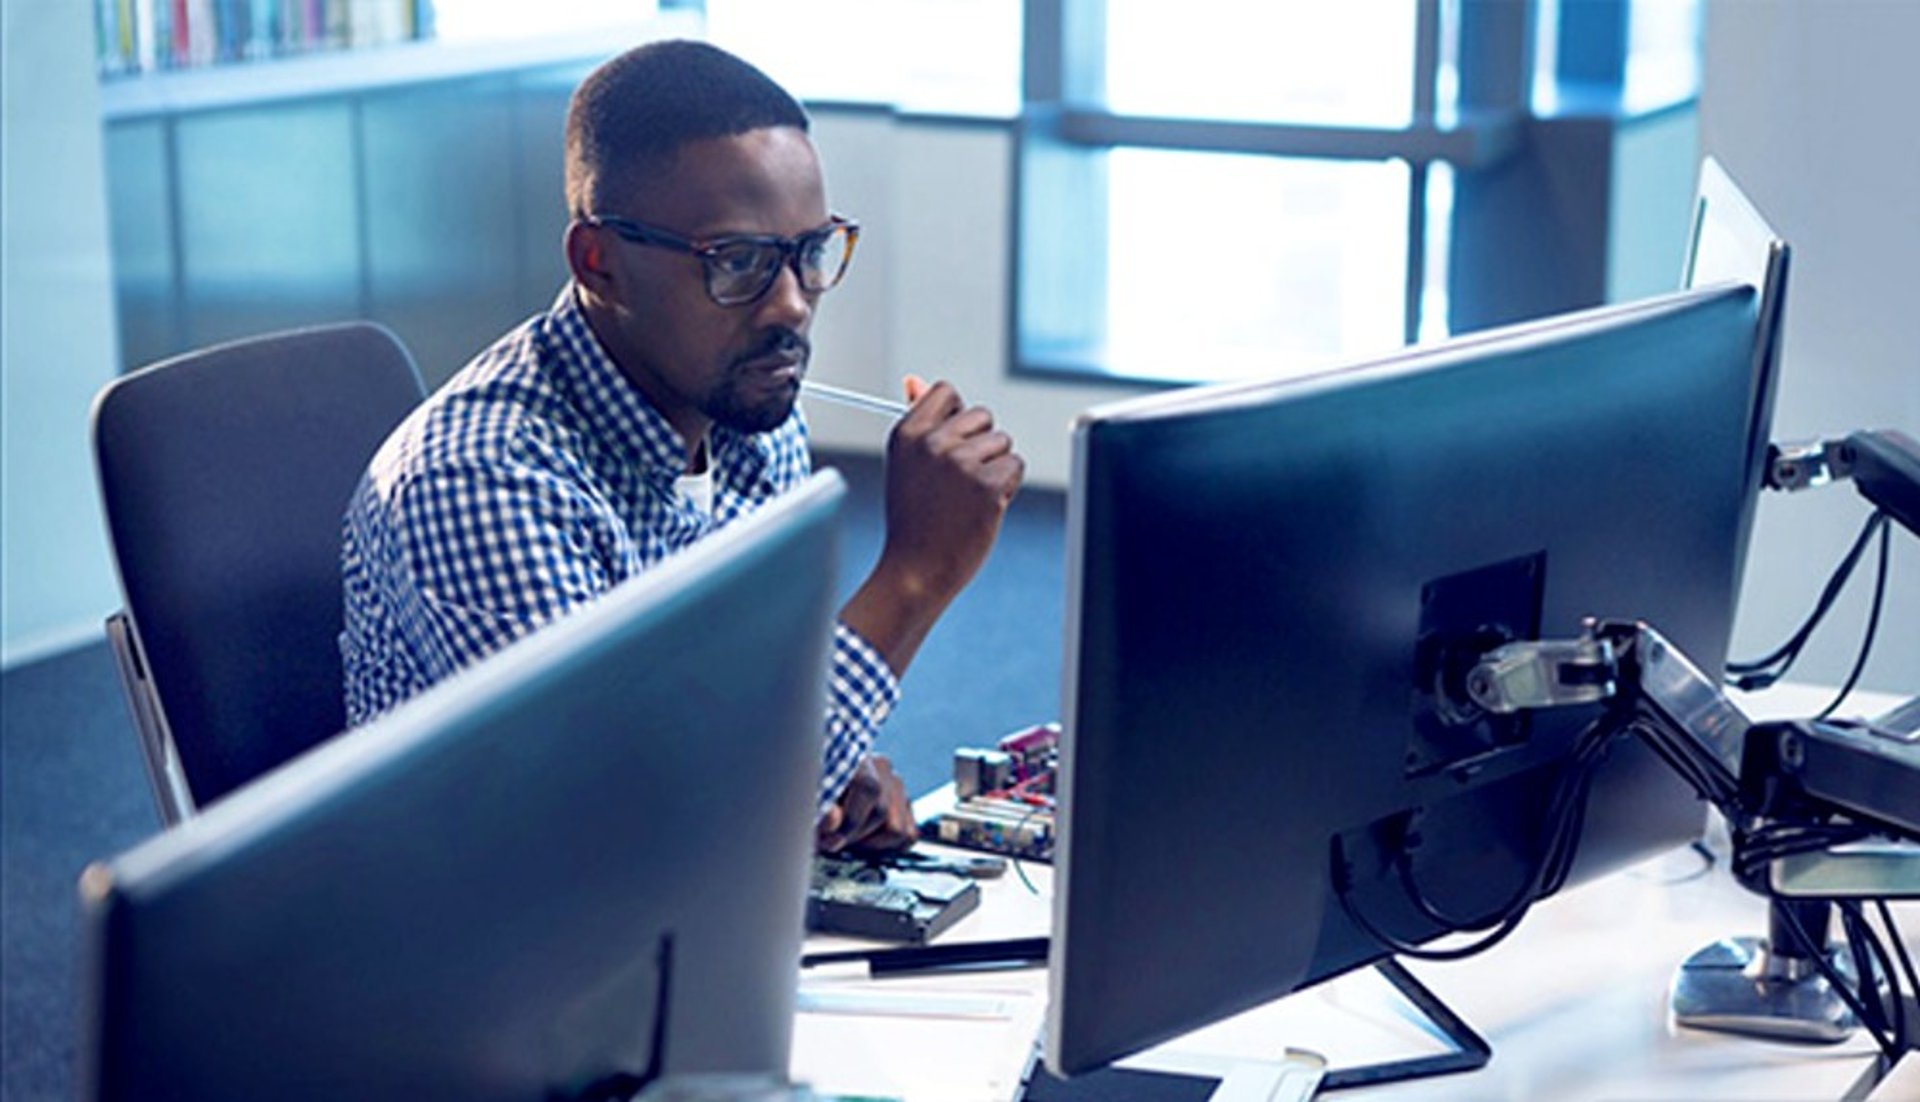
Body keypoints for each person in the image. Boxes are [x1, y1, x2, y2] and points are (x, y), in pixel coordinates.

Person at [339, 39, 1024, 853]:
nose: (791, 307)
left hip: (677, 916)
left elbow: (730, 715)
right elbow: (639, 829)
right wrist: (915, 575)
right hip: (487, 948)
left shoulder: (747, 415)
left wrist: (830, 763)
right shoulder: (480, 480)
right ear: (600, 264)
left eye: (810, 254)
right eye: (736, 261)